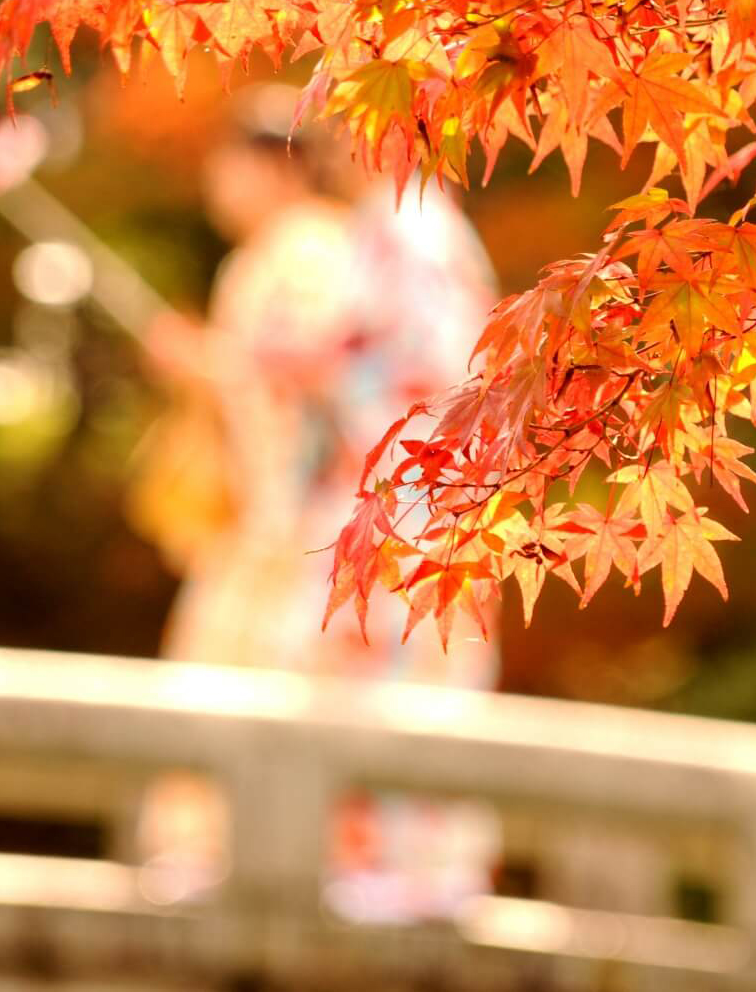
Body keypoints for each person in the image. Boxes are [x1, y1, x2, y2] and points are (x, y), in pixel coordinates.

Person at [126, 85, 499, 916]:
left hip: (390, 506)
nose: (335, 152)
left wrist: (283, 363)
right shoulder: (388, 232)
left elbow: (410, 375)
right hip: (387, 506)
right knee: (343, 692)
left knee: (351, 690)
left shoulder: (405, 231)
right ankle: (363, 873)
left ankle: (373, 878)